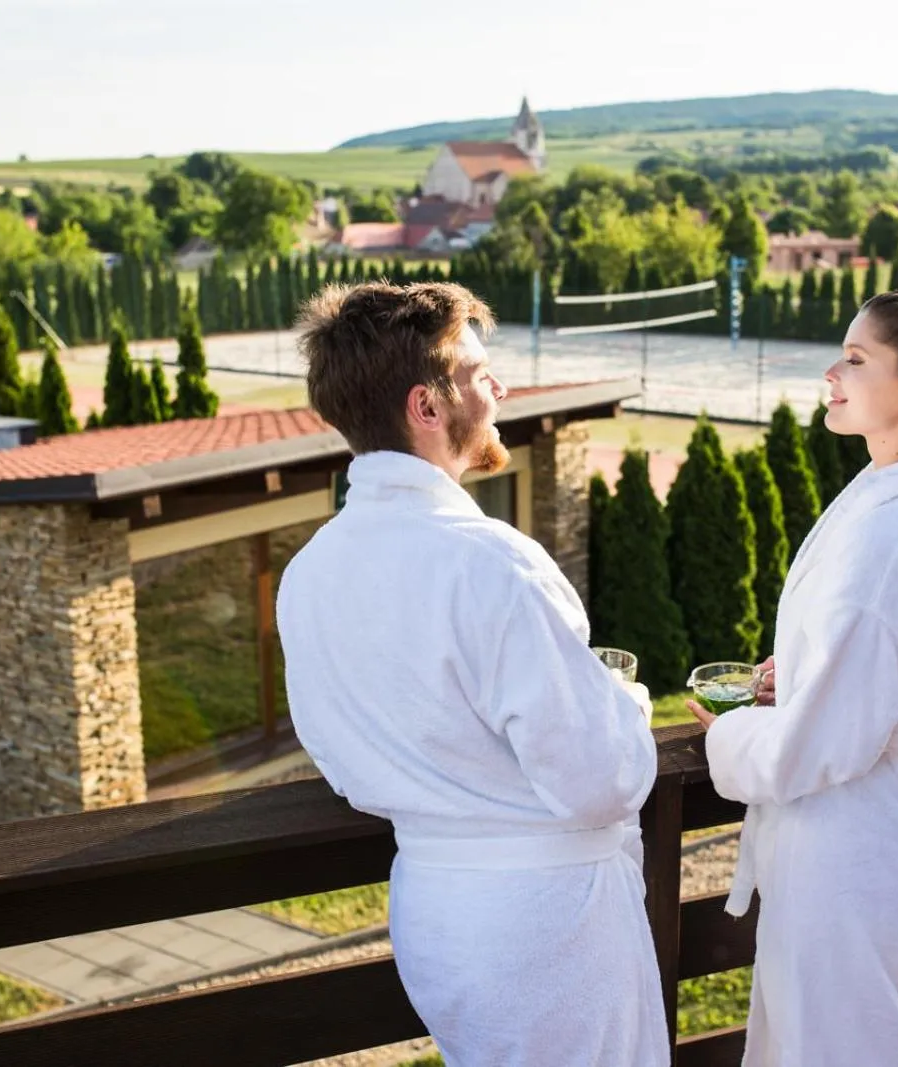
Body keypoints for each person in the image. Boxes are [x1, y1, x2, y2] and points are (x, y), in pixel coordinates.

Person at [277, 281, 669, 1067]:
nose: (500, 390)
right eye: (482, 373)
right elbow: (601, 779)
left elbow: (347, 763)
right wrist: (620, 702)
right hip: (549, 925)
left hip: (435, 914)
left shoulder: (308, 573)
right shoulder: (494, 563)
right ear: (427, 405)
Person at [690, 289, 898, 1065]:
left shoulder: (897, 532)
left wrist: (730, 728)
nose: (832, 371)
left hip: (862, 855)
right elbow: (896, 663)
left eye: (858, 359)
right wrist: (808, 673)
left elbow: (809, 748)